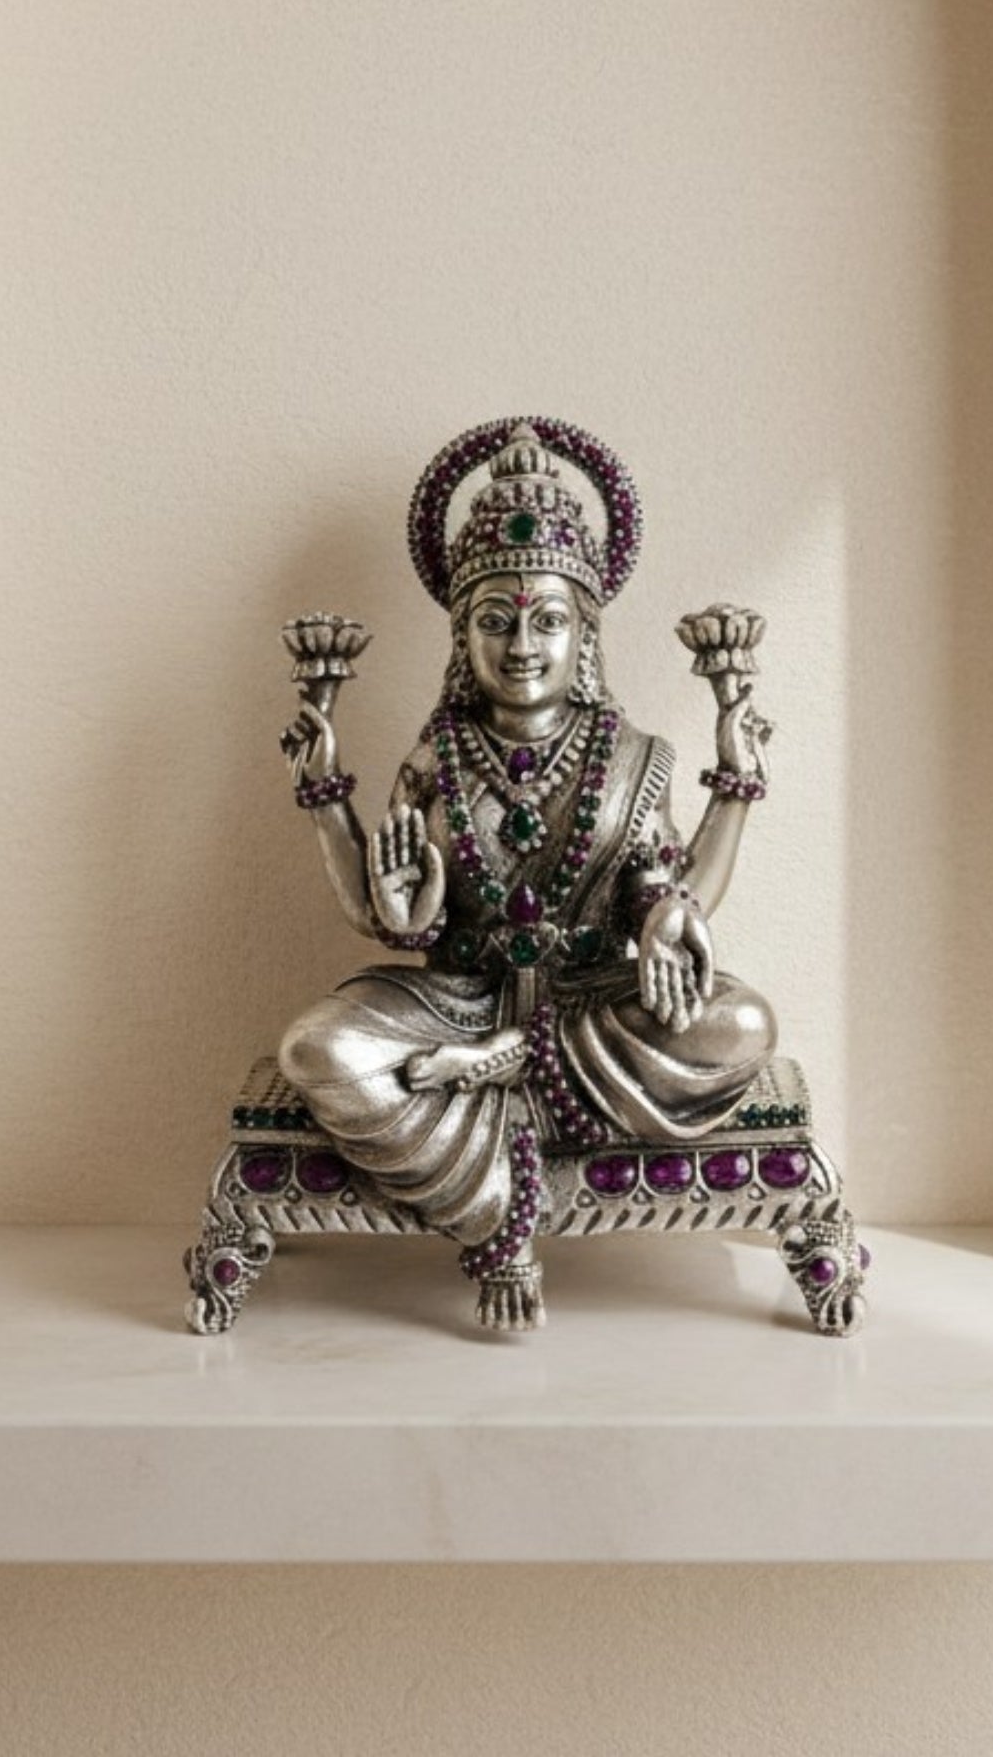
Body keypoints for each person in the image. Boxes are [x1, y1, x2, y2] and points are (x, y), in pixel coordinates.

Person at [277, 418, 776, 1325]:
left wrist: (672, 902)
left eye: (548, 620)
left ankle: (499, 1073)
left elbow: (661, 892)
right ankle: (500, 1145)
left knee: (741, 1023)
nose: (521, 646)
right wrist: (350, 832)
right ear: (462, 636)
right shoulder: (436, 756)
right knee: (318, 1049)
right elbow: (385, 914)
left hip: (589, 1000)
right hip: (456, 1002)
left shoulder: (632, 756)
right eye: (495, 621)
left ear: (585, 634)